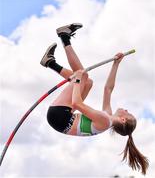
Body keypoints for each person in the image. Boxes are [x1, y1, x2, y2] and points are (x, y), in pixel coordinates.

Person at [40, 23, 149, 175]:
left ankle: (64, 37)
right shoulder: (107, 117)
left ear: (123, 120)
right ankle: (50, 62)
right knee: (88, 82)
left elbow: (76, 103)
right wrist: (116, 64)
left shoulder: (104, 120)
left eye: (128, 113)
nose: (126, 109)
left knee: (83, 76)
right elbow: (108, 89)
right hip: (62, 118)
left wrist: (78, 80)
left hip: (59, 116)